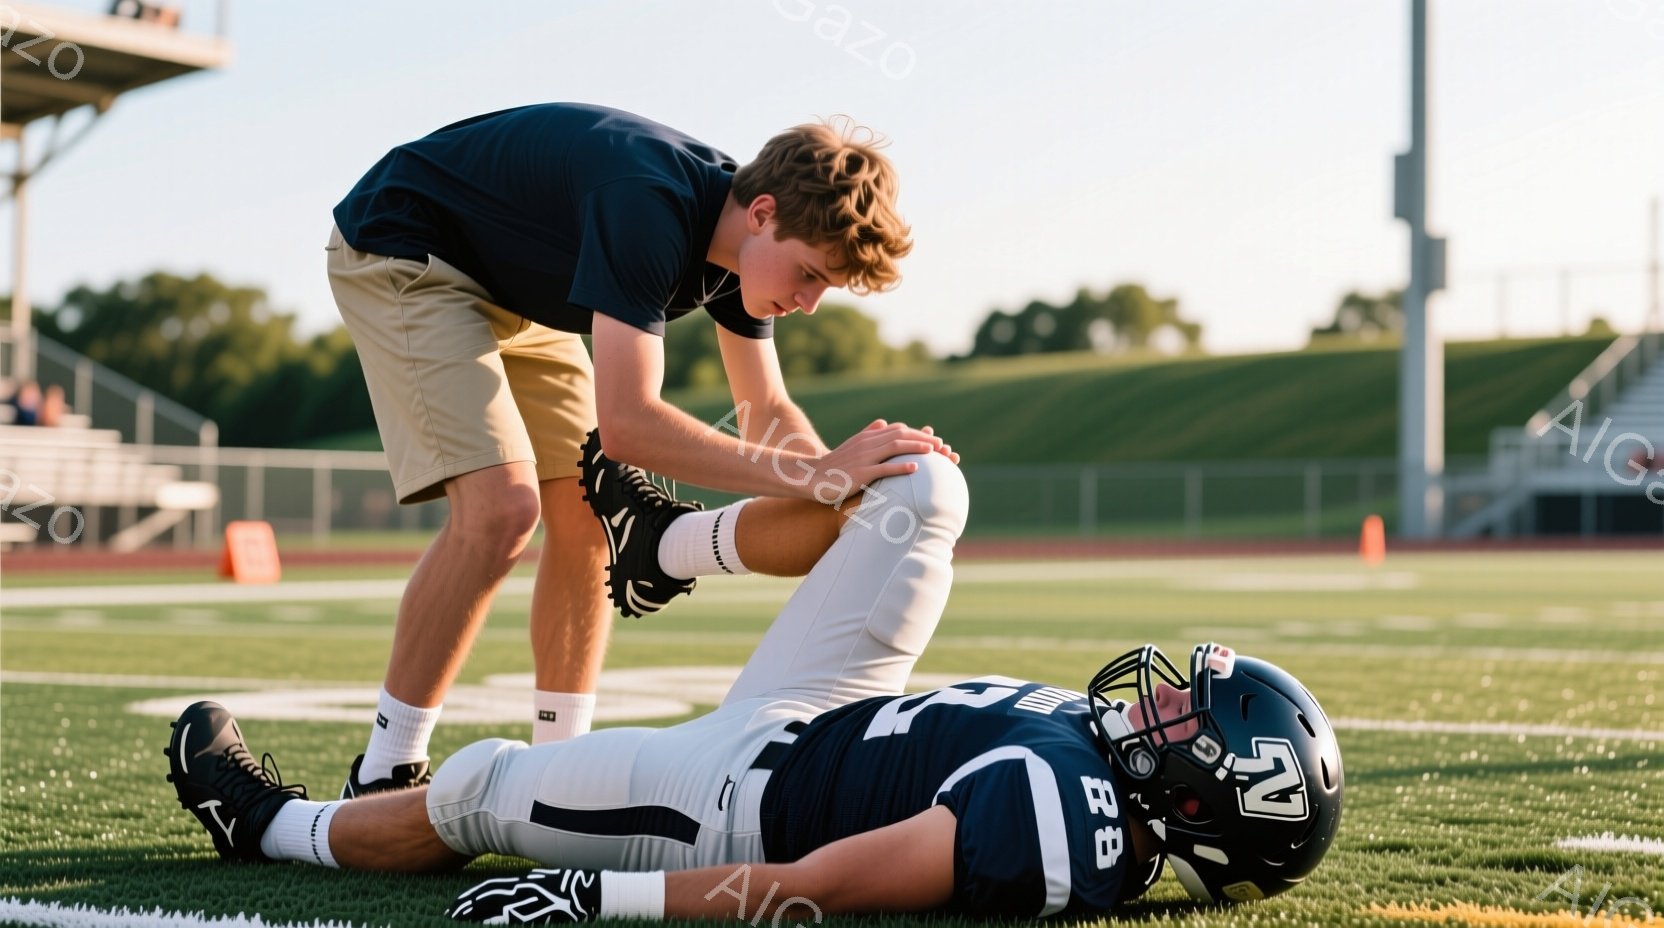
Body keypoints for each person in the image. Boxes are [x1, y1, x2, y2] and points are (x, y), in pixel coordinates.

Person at [166, 454, 1345, 921]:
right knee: (924, 490)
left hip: (737, 794)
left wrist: (596, 902)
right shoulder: (1098, 771)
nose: (1151, 702)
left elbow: (812, 886)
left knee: (480, 786)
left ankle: (267, 822)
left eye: (1179, 720)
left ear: (1202, 794)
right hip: (822, 713)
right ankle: (659, 547)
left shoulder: (1067, 823)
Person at [326, 101, 950, 797]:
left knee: (591, 514)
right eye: (809, 274)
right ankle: (386, 772)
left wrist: (850, 491)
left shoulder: (745, 247)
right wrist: (813, 473)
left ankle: (554, 769)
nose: (809, 302)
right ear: (764, 212)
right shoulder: (650, 205)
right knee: (503, 510)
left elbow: (765, 412)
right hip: (409, 245)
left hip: (517, 290)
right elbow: (628, 424)